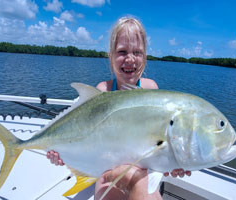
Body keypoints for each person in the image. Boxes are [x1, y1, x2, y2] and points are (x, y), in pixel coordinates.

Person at [47, 16, 191, 199]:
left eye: (137, 52)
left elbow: (158, 141)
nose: (130, 59)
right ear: (111, 56)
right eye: (122, 51)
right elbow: (83, 134)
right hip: (107, 170)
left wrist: (175, 160)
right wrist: (61, 151)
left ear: (145, 56)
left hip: (141, 172)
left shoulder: (150, 89)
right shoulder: (103, 91)